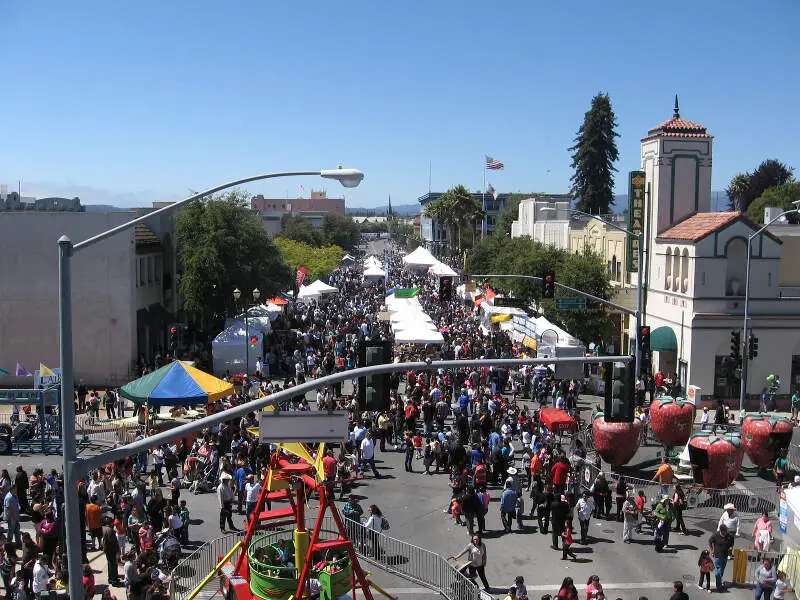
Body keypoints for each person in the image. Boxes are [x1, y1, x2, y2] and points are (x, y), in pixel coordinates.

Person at [709, 524, 734, 592]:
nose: (726, 533)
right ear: (721, 531)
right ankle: (718, 585)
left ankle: (719, 580)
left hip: (725, 556)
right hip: (718, 556)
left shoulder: (729, 536)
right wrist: (712, 550)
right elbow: (710, 541)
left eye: (726, 531)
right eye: (724, 531)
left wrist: (731, 547)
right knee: (719, 570)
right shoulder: (716, 535)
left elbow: (732, 542)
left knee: (722, 570)